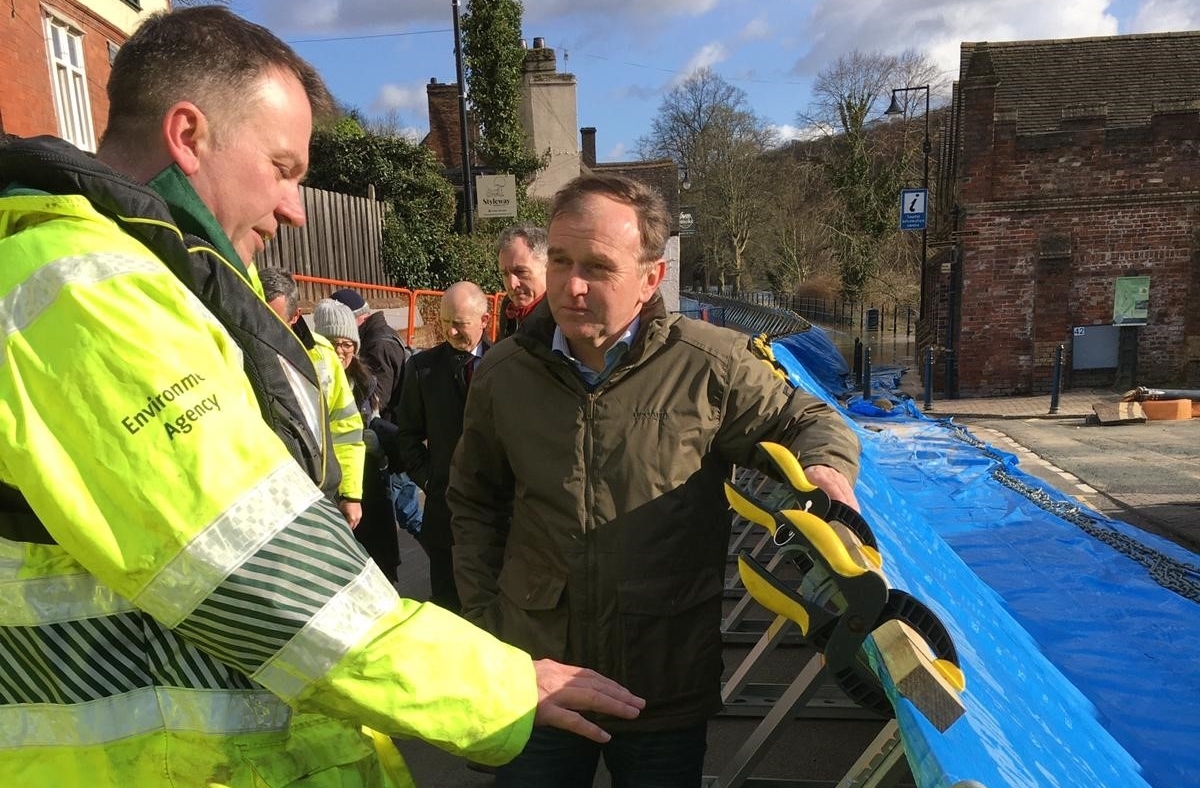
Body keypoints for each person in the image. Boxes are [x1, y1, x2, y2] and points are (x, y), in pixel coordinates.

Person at [0, 7, 644, 787]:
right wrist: (498, 685)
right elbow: (251, 563)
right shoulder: (85, 292)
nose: (295, 209)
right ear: (187, 134)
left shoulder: (150, 284)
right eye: (283, 167)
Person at [449, 173, 861, 787]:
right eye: (559, 261)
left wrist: (824, 469)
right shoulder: (503, 374)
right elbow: (474, 504)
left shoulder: (710, 365)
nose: (572, 285)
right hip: (539, 674)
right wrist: (491, 630)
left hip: (662, 680)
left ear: (651, 278)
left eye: (598, 266)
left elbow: (809, 418)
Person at [387, 282, 491, 612]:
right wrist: (430, 480)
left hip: (498, 514)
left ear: (484, 320)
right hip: (445, 514)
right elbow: (408, 436)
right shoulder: (422, 369)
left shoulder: (508, 364)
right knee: (449, 606)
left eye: (460, 322)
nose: (451, 330)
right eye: (446, 321)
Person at [261, 267, 366, 529]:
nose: (263, 329)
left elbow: (346, 427)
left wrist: (351, 493)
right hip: (267, 493)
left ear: (295, 317)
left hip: (318, 489)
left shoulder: (323, 356)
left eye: (275, 321)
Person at [313, 298, 401, 582]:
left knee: (380, 570)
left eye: (346, 344)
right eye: (332, 343)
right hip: (333, 491)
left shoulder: (365, 381)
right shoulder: (312, 381)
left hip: (371, 487)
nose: (339, 352)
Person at [329, 287, 424, 537]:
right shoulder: (380, 336)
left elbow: (375, 399)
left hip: (391, 441)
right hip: (394, 438)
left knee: (409, 513)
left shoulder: (378, 344)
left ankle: (446, 560)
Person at [496, 221, 549, 338]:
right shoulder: (509, 311)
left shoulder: (565, 320)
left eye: (521, 272)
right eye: (505, 273)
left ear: (548, 268)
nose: (512, 284)